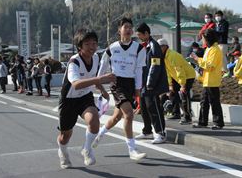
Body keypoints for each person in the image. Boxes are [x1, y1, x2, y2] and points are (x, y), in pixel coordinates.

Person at [57, 29, 115, 169]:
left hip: (85, 97)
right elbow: (76, 84)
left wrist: (101, 89)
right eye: (87, 43)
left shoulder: (95, 58)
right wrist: (100, 79)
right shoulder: (74, 63)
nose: (92, 47)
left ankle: (87, 149)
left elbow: (92, 77)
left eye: (94, 43)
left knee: (94, 120)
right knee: (65, 135)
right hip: (69, 100)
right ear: (80, 46)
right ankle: (63, 152)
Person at [93, 17, 147, 160]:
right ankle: (132, 149)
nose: (128, 29)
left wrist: (138, 88)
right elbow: (103, 65)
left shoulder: (139, 48)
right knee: (129, 114)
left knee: (117, 117)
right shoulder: (112, 48)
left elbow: (139, 70)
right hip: (117, 83)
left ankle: (100, 133)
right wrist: (98, 81)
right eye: (125, 27)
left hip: (130, 83)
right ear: (120, 30)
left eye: (130, 27)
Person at [135, 23, 168, 144]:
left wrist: (150, 82)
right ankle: (147, 130)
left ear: (146, 33)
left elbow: (155, 66)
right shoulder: (144, 46)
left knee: (153, 107)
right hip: (143, 82)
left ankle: (160, 133)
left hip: (151, 84)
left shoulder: (154, 46)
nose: (139, 37)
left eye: (140, 35)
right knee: (144, 107)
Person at [190, 29, 224, 130]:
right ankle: (202, 122)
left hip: (212, 80)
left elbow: (210, 65)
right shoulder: (210, 49)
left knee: (214, 102)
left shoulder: (215, 49)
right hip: (207, 80)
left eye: (203, 38)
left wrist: (197, 59)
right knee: (204, 102)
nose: (202, 41)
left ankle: (218, 122)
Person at [158, 38, 196, 125]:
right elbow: (167, 71)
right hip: (176, 77)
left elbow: (180, 70)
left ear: (165, 46)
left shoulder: (172, 55)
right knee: (174, 93)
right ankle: (176, 113)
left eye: (160, 47)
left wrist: (182, 85)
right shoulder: (163, 56)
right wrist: (170, 84)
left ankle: (187, 117)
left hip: (187, 76)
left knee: (184, 94)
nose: (158, 49)